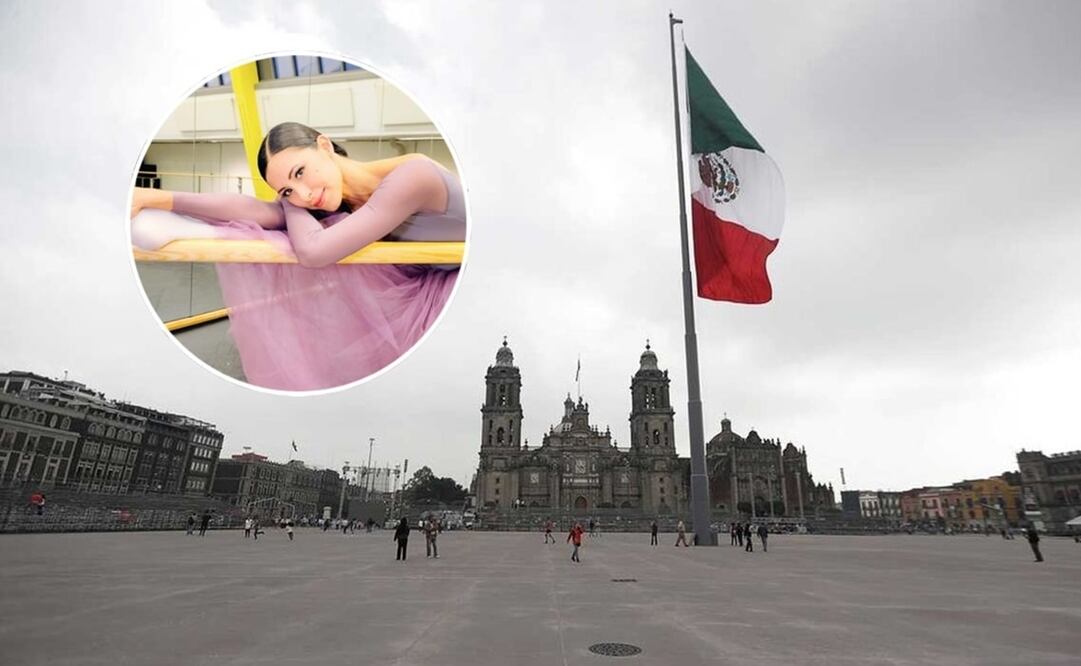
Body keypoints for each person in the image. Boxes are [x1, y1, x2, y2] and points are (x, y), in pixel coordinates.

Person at [129, 122, 466, 391]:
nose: (303, 193)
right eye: (288, 190)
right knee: (289, 231)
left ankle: (201, 231)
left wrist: (289, 204)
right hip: (424, 279)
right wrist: (160, 199)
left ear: (324, 146)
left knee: (311, 238)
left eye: (300, 172)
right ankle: (195, 230)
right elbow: (261, 211)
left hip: (460, 288)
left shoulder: (415, 176)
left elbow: (314, 252)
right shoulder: (335, 196)